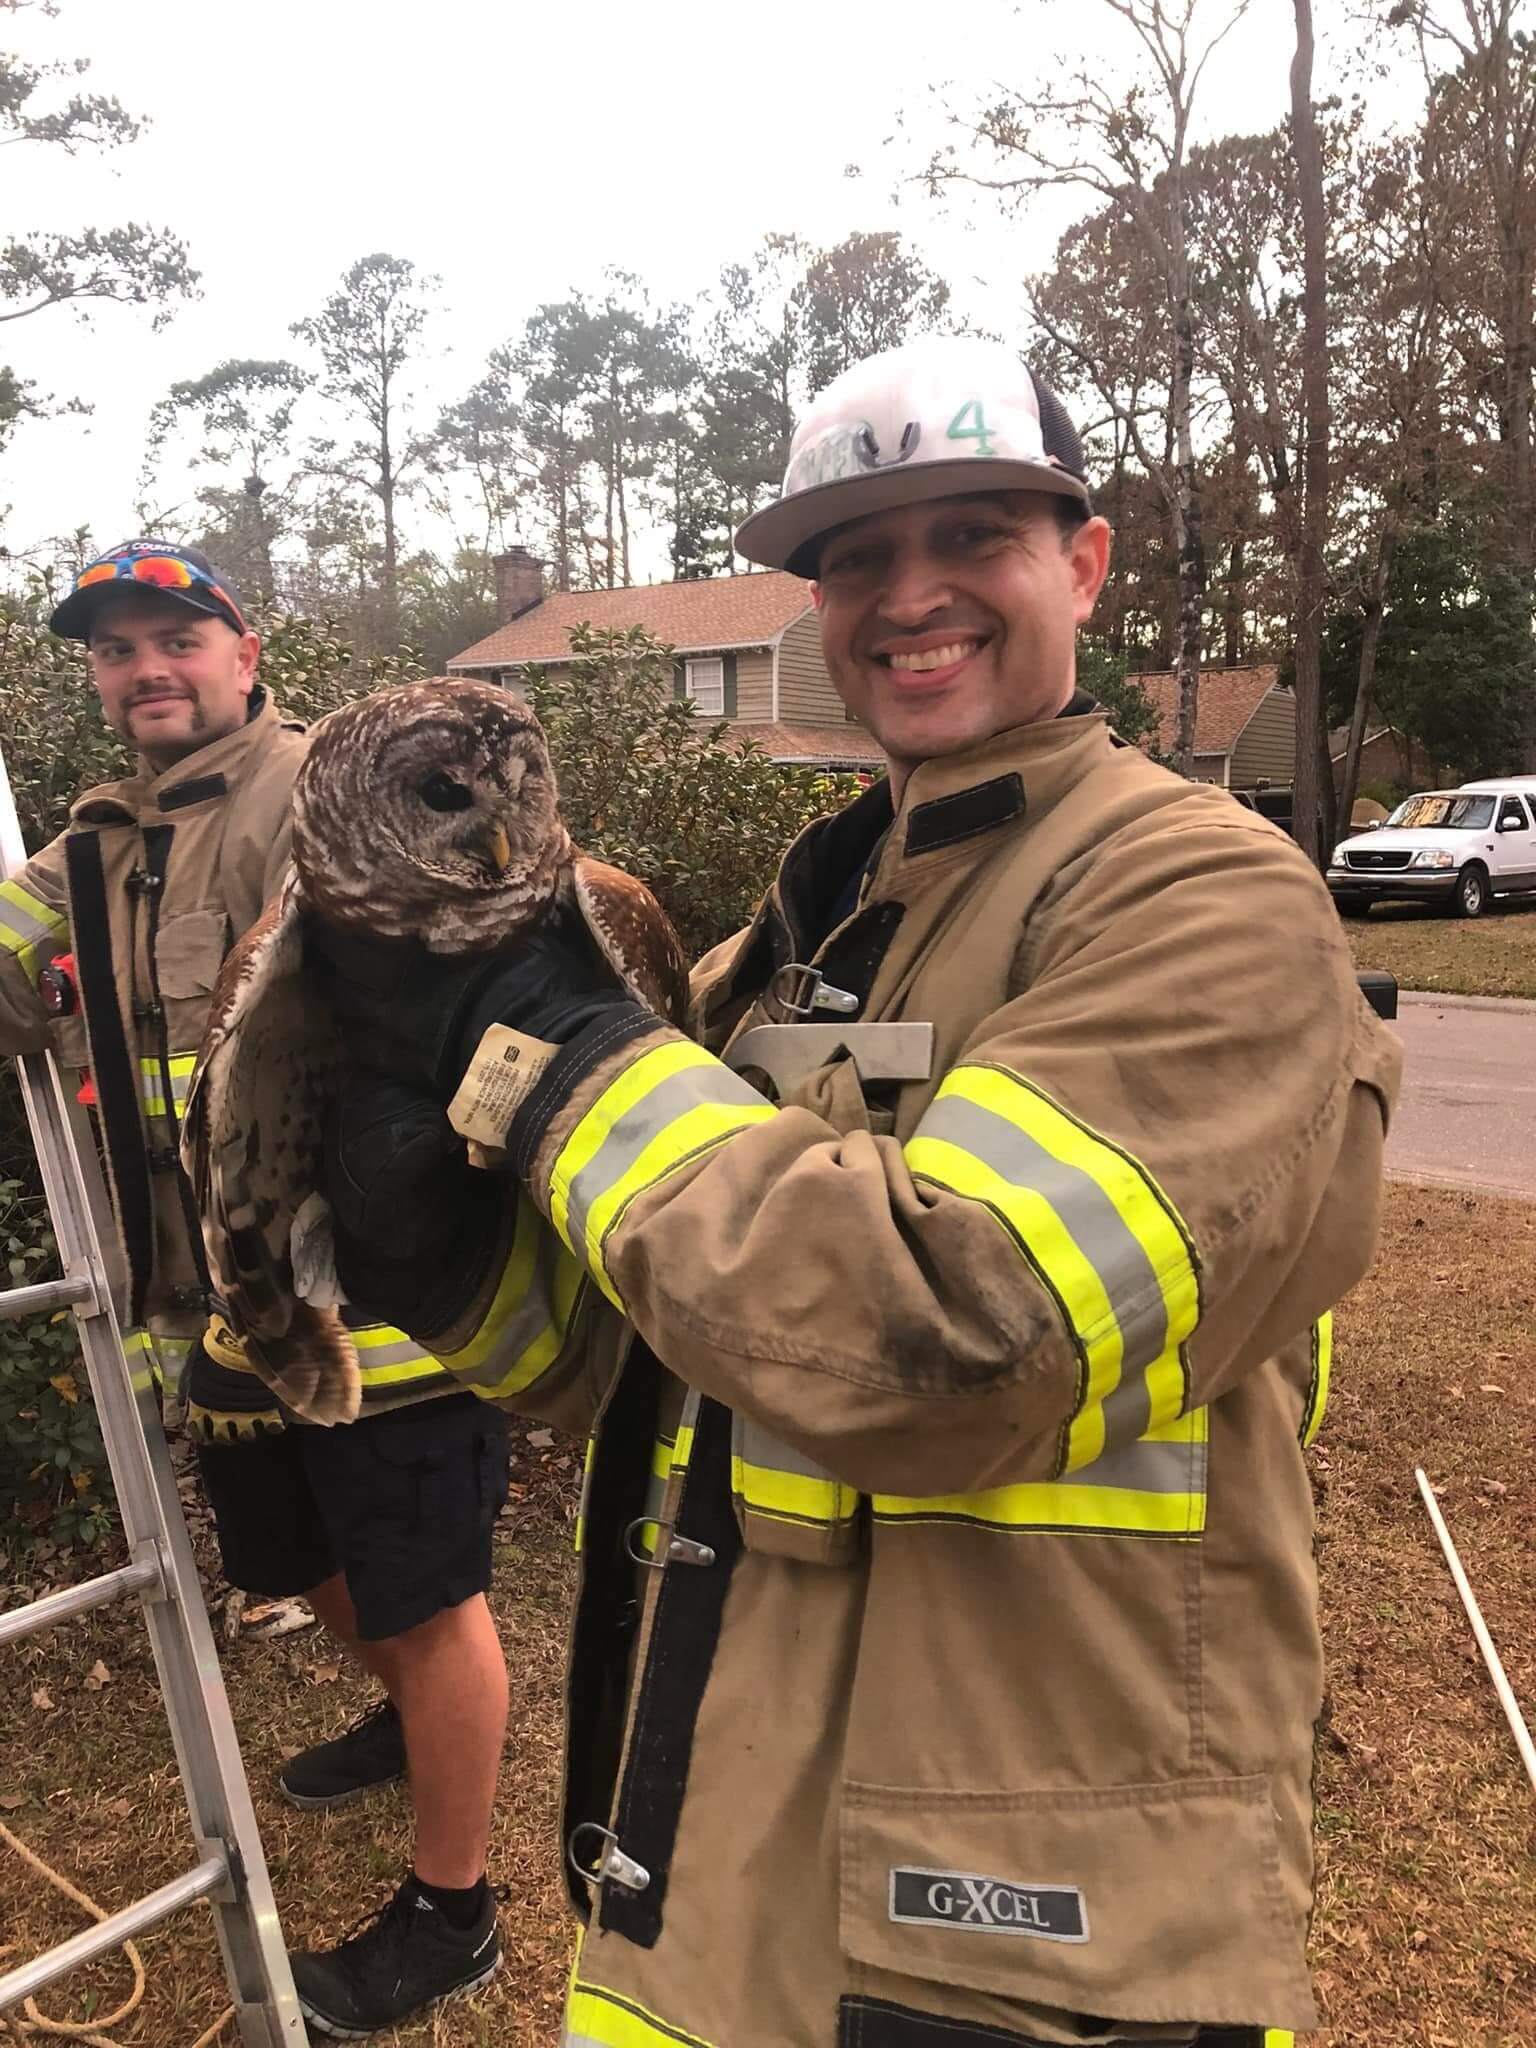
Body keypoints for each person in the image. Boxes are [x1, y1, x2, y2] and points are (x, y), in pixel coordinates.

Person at [320, 337, 1402, 2048]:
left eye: (973, 534)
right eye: (854, 558)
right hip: (729, 1868)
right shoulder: (809, 924)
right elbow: (675, 1358)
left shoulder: (1198, 894)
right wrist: (436, 1251)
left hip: (1017, 1917)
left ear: (1087, 563)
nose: (910, 596)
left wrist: (567, 1062)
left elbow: (962, 1337)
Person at [0, 540, 510, 2037]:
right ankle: (408, 1720)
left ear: (246, 646)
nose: (148, 666)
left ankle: (455, 1911)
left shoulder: (334, 791)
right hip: (219, 1298)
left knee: (431, 1594)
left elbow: (492, 957)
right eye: (117, 648)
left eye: (178, 635)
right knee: (293, 1559)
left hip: (386, 1292)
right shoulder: (95, 840)